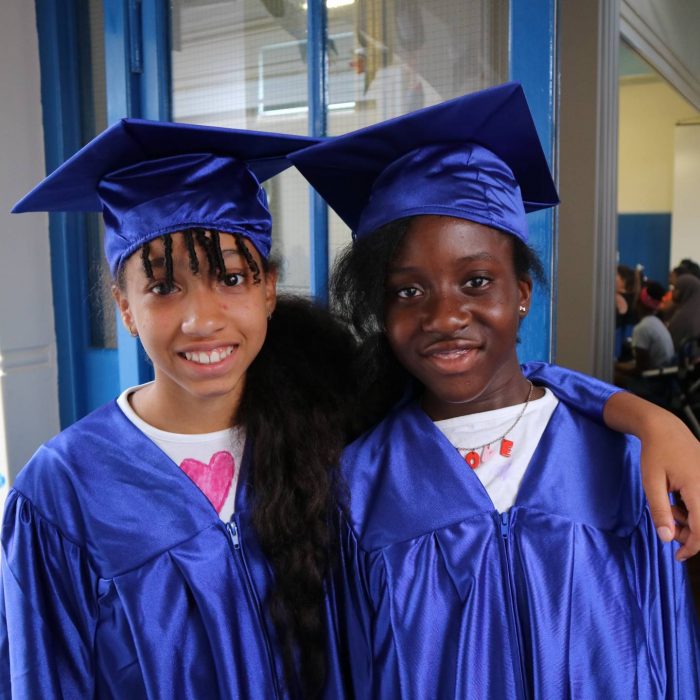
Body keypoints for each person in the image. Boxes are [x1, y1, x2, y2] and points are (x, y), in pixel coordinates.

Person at [290, 83, 700, 697]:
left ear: (522, 293)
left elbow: (668, 647)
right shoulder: (359, 487)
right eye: (408, 291)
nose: (444, 316)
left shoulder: (623, 458)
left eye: (476, 281)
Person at [0, 119, 356, 698]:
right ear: (125, 307)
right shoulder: (62, 493)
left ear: (268, 289)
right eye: (164, 287)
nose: (202, 319)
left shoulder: (330, 439)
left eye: (232, 278)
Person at [668, 274, 700, 351]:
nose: (673, 292)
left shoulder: (683, 316)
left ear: (685, 290)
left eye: (676, 288)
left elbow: (670, 344)